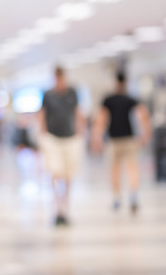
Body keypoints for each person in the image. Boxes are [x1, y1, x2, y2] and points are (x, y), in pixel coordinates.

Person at [91, 72, 152, 214]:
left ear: (115, 82)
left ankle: (117, 198)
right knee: (132, 168)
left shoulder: (109, 100)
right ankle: (133, 196)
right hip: (129, 139)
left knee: (115, 170)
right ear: (126, 83)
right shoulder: (131, 99)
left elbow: (101, 119)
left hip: (113, 140)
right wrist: (146, 134)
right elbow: (142, 115)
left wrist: (96, 137)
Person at [38, 67, 86, 226]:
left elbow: (78, 112)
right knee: (55, 173)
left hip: (70, 138)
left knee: (68, 174)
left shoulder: (72, 93)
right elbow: (42, 115)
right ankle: (57, 209)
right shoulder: (48, 95)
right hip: (53, 139)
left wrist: (81, 131)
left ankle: (65, 208)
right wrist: (43, 135)